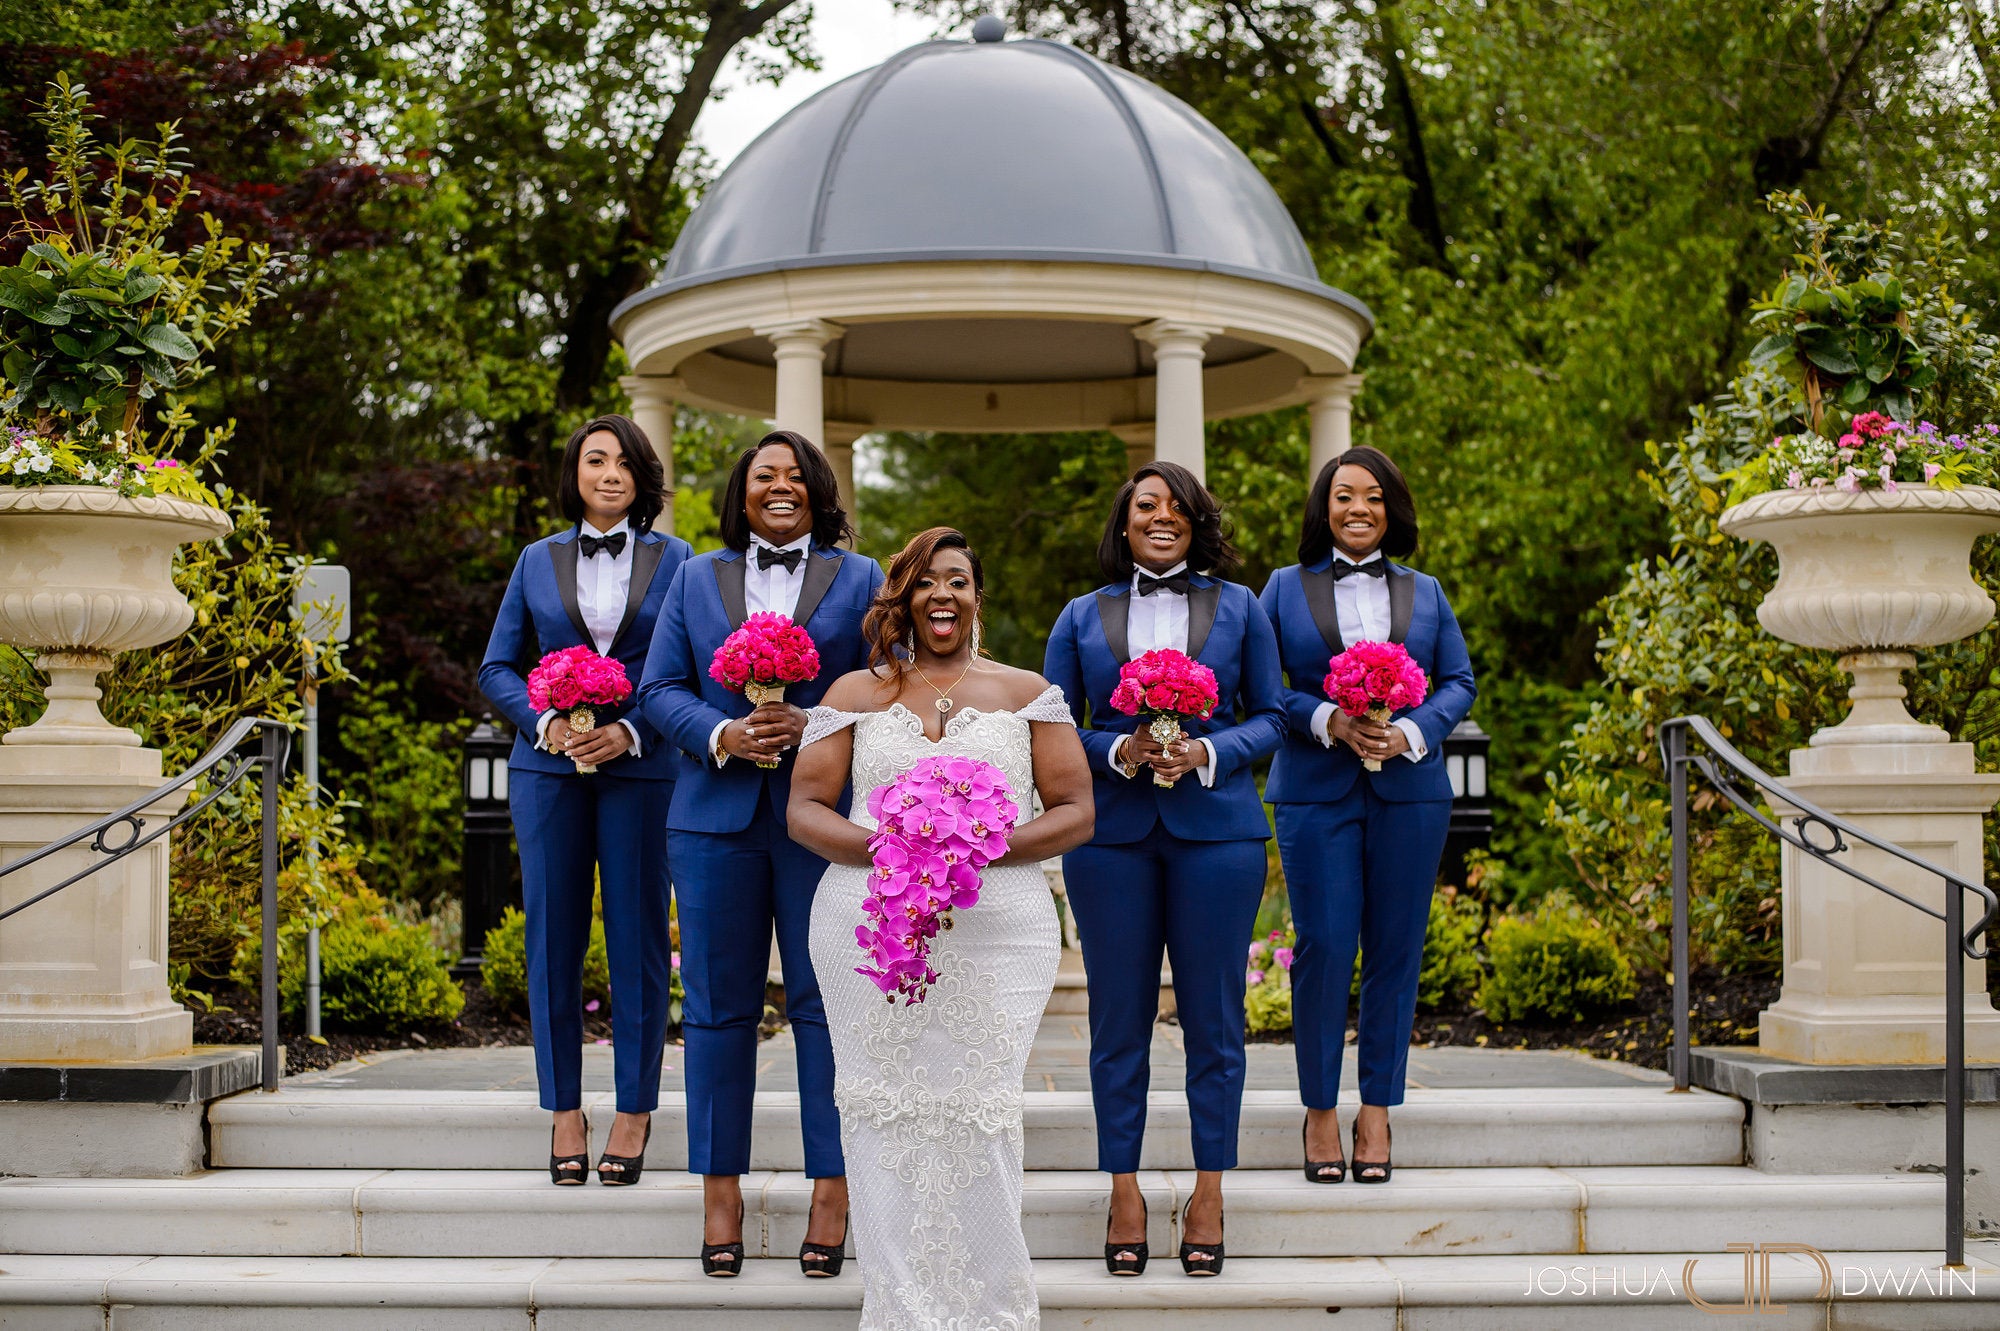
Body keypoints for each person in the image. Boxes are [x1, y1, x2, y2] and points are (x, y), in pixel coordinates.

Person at [789, 526, 1094, 1323]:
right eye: (926, 582)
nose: (942, 595)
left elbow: (1076, 811)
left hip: (1001, 928)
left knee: (979, 1109)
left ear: (977, 597)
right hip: (869, 925)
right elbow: (804, 812)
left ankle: (993, 1309)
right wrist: (899, 850)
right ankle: (900, 1307)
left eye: (956, 580)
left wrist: (975, 849)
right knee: (880, 1106)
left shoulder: (1029, 693)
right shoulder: (853, 694)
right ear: (905, 598)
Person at [636, 429, 883, 1277]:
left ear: (816, 490)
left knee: (827, 1007)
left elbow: (887, 685)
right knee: (714, 1010)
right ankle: (720, 1193)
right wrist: (724, 732)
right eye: (761, 476)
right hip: (712, 824)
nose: (779, 487)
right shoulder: (695, 577)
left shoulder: (861, 578)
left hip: (822, 823)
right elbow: (659, 687)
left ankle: (832, 1189)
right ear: (740, 494)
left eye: (794, 476)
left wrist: (815, 724)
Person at [1042, 460, 1286, 1278]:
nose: (1162, 516)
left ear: (1196, 522)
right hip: (1111, 838)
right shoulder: (1081, 615)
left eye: (1177, 506)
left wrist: (1210, 749)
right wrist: (1117, 747)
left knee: (1215, 1021)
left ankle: (1211, 1190)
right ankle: (1125, 1188)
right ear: (1124, 521)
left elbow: (1275, 715)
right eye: (1147, 504)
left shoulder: (1242, 607)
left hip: (1217, 834)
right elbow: (1050, 725)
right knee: (1118, 1022)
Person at [478, 414, 691, 1188]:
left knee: (637, 942)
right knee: (552, 942)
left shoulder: (679, 560)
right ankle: (564, 1110)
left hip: (642, 772)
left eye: (623, 463)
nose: (608, 473)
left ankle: (634, 1110)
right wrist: (545, 724)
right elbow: (498, 665)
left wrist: (631, 731)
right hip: (547, 775)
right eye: (594, 460)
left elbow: (690, 669)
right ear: (574, 474)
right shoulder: (538, 558)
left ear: (641, 479)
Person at [1259, 446, 1476, 1186]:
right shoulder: (1284, 589)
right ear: (1324, 508)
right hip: (1316, 790)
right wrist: (1327, 717)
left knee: (1395, 949)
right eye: (1344, 495)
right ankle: (1320, 1108)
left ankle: (1377, 1108)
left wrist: (1414, 732)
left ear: (1393, 509)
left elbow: (1459, 680)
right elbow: (1258, 688)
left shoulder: (1428, 590)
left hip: (1411, 794)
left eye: (1374, 496)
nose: (1360, 508)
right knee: (1323, 945)